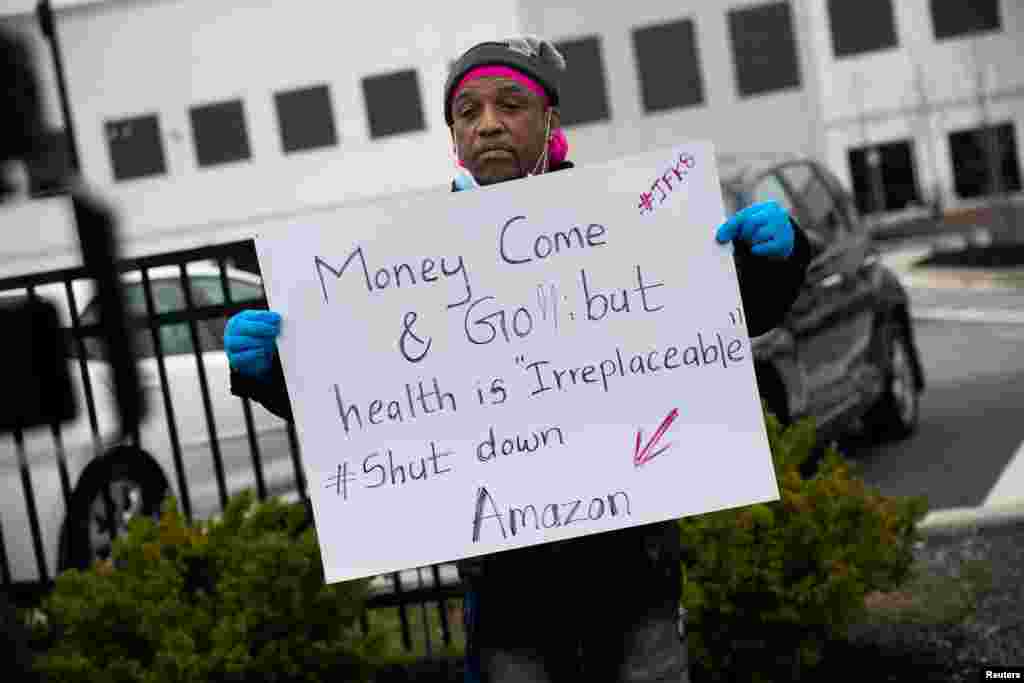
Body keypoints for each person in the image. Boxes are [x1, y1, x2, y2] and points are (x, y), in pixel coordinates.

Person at [225, 36, 811, 683]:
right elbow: (356, 402)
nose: (488, 124)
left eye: (511, 103)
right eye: (467, 112)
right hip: (508, 592)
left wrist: (776, 258)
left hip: (633, 570)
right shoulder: (402, 263)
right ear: (453, 137)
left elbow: (728, 322)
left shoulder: (631, 221)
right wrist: (266, 368)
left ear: (550, 120)